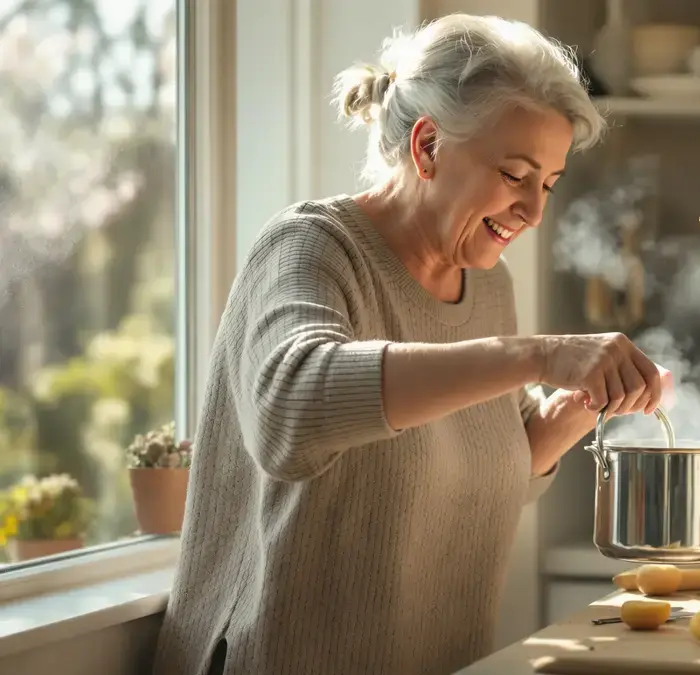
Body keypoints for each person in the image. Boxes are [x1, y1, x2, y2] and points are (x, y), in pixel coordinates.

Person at [151, 14, 663, 675]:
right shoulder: (312, 247)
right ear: (428, 147)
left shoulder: (487, 284)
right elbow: (291, 409)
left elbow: (474, 469)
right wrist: (537, 354)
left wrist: (578, 406)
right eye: (515, 174)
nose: (534, 211)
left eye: (548, 185)